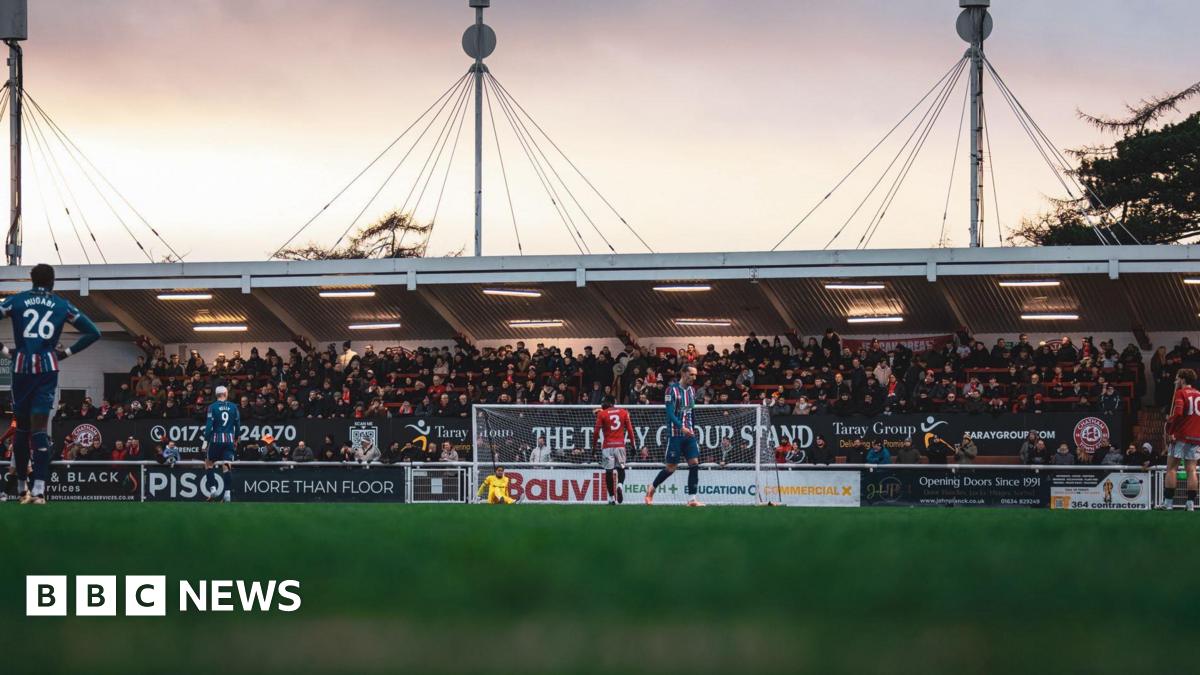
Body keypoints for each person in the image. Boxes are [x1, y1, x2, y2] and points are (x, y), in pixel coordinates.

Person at [0, 263, 101, 504]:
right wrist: (65, 353)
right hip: (47, 368)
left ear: (31, 280)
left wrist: (5, 351)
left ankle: (22, 488)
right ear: (53, 281)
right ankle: (39, 490)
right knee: (39, 429)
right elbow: (93, 332)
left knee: (22, 430)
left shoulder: (17, 300)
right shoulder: (61, 305)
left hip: (21, 368)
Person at [645, 365, 703, 506]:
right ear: (683, 373)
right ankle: (651, 489)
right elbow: (670, 414)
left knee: (694, 463)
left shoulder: (692, 391)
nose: (694, 378)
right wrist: (681, 427)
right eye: (691, 374)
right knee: (671, 467)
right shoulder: (671, 390)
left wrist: (692, 428)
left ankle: (692, 499)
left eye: (695, 375)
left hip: (689, 434)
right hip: (675, 434)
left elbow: (691, 412)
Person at [1163, 368, 1200, 510]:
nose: (1176, 381)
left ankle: (1168, 503)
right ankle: (1190, 504)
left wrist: (1170, 429)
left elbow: (1178, 413)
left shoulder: (1180, 393)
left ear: (1183, 379)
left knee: (1171, 468)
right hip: (1196, 437)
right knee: (1191, 470)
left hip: (1181, 436)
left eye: (1177, 378)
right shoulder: (1199, 394)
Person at [201, 385, 240, 503]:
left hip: (216, 439)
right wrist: (236, 438)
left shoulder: (212, 407)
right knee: (227, 465)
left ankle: (213, 489)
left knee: (208, 463)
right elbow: (237, 425)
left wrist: (205, 441)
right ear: (225, 394)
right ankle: (227, 493)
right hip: (229, 440)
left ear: (216, 395)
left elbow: (208, 427)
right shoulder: (234, 407)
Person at [594, 396, 633, 505]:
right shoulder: (624, 412)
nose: (602, 404)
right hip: (620, 445)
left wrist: (594, 447)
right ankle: (620, 485)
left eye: (603, 402)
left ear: (609, 403)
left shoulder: (602, 414)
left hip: (607, 447)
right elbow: (630, 430)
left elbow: (596, 432)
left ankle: (612, 498)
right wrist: (633, 446)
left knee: (609, 472)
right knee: (621, 469)